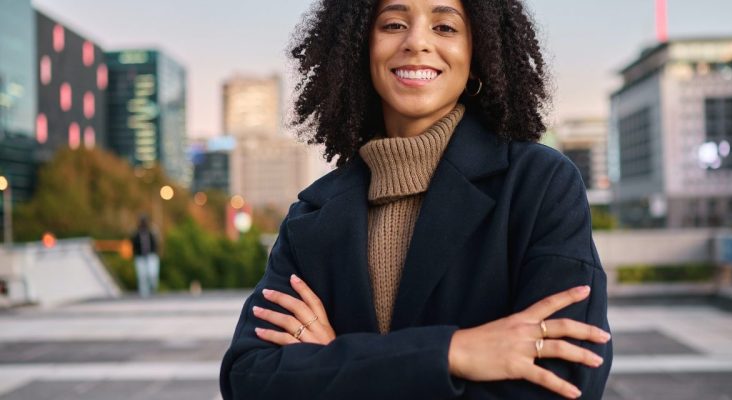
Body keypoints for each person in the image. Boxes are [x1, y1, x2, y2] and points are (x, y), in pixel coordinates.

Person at [221, 0, 612, 398]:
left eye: (445, 27)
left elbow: (566, 382)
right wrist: (453, 352)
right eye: (393, 24)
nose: (416, 41)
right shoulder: (311, 217)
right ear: (360, 46)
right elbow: (249, 379)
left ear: (477, 53)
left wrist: (340, 363)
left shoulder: (539, 185)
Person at [131, 215, 159, 297]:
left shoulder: (152, 232)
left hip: (151, 256)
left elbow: (156, 243)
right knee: (142, 276)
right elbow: (133, 245)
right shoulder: (136, 233)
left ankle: (152, 289)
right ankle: (144, 294)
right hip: (140, 257)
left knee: (152, 274)